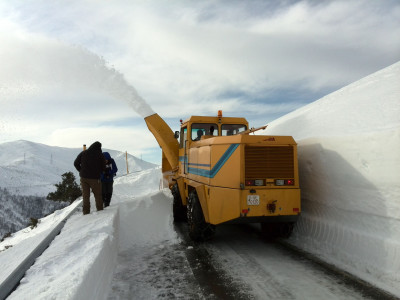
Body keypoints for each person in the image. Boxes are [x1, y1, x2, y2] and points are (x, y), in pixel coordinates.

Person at [74, 141, 106, 215]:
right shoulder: (100, 154)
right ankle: (100, 211)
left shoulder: (83, 153)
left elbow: (76, 163)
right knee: (98, 196)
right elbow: (103, 167)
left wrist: (81, 170)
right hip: (95, 178)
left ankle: (86, 212)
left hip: (84, 178)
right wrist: (99, 172)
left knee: (85, 196)